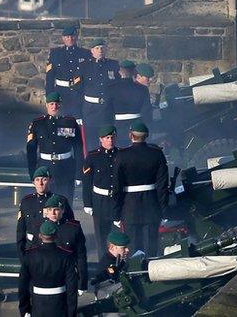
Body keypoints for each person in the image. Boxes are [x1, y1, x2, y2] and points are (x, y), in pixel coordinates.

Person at [112, 121, 169, 257]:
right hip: (151, 204)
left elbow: (117, 188)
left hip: (129, 206)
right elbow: (162, 186)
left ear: (130, 135)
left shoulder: (122, 155)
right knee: (151, 246)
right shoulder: (156, 154)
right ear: (147, 136)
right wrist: (164, 210)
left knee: (132, 246)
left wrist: (116, 213)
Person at [27, 92, 83, 204]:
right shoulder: (38, 124)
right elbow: (31, 150)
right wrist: (32, 173)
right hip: (45, 168)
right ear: (46, 105)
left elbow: (78, 149)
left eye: (57, 104)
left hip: (66, 168)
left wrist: (78, 174)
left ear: (61, 105)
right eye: (51, 104)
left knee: (65, 204)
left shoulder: (70, 122)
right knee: (45, 204)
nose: (54, 107)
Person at [19, 220, 78, 317]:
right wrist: (71, 313)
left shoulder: (30, 255)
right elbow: (72, 287)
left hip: (38, 303)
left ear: (40, 236)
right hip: (59, 303)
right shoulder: (66, 256)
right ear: (56, 236)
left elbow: (22, 285)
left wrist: (24, 309)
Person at [17, 166, 74, 257]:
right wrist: (21, 255)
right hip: (32, 250)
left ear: (50, 180)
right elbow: (20, 231)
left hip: (54, 250)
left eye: (44, 179)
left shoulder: (60, 201)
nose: (40, 183)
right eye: (37, 180)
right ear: (33, 182)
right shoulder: (26, 202)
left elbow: (70, 228)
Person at [84, 125, 121, 259]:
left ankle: (119, 264)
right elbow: (87, 182)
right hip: (99, 201)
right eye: (107, 138)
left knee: (118, 237)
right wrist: (87, 203)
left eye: (112, 137)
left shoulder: (121, 154)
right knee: (101, 236)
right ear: (101, 139)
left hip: (117, 200)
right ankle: (103, 264)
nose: (110, 140)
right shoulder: (93, 156)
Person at [41, 194, 88, 293]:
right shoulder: (41, 228)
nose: (53, 213)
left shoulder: (74, 229)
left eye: (56, 209)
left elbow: (81, 257)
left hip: (68, 277)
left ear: (62, 210)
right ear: (46, 212)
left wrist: (81, 283)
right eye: (50, 210)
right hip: (46, 277)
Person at [78, 39, 119, 146]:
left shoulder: (113, 65)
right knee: (91, 143)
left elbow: (118, 87)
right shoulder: (84, 66)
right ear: (92, 51)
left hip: (107, 110)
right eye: (97, 48)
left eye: (102, 48)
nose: (100, 50)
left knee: (108, 142)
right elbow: (77, 90)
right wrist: (78, 112)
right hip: (90, 110)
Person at [46, 26, 91, 120]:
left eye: (72, 36)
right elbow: (50, 78)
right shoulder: (55, 53)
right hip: (61, 94)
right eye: (67, 37)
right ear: (63, 38)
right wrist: (49, 97)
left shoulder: (85, 54)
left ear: (76, 37)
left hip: (78, 94)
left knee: (78, 123)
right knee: (61, 121)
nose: (70, 39)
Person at [105, 61, 152, 135]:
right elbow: (147, 112)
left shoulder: (111, 88)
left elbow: (107, 110)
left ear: (120, 72)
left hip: (118, 126)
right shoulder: (142, 89)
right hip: (137, 126)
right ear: (134, 72)